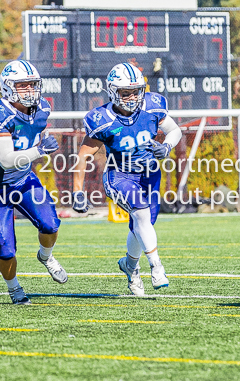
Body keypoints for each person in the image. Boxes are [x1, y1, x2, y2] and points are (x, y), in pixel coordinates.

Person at [72, 63, 182, 296]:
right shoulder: (102, 118)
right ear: (113, 92)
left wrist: (166, 146)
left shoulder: (152, 105)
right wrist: (78, 192)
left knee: (141, 225)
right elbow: (82, 157)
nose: (132, 97)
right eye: (125, 93)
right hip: (119, 174)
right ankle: (156, 267)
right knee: (141, 214)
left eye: (136, 91)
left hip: (150, 173)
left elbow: (175, 130)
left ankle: (130, 267)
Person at [0, 60, 65, 305]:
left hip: (23, 181)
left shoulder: (41, 108)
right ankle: (13, 287)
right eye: (22, 86)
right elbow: (5, 160)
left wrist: (41, 142)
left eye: (32, 85)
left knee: (50, 224)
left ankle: (46, 257)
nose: (29, 91)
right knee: (4, 246)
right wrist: (40, 150)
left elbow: (35, 133)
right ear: (7, 88)